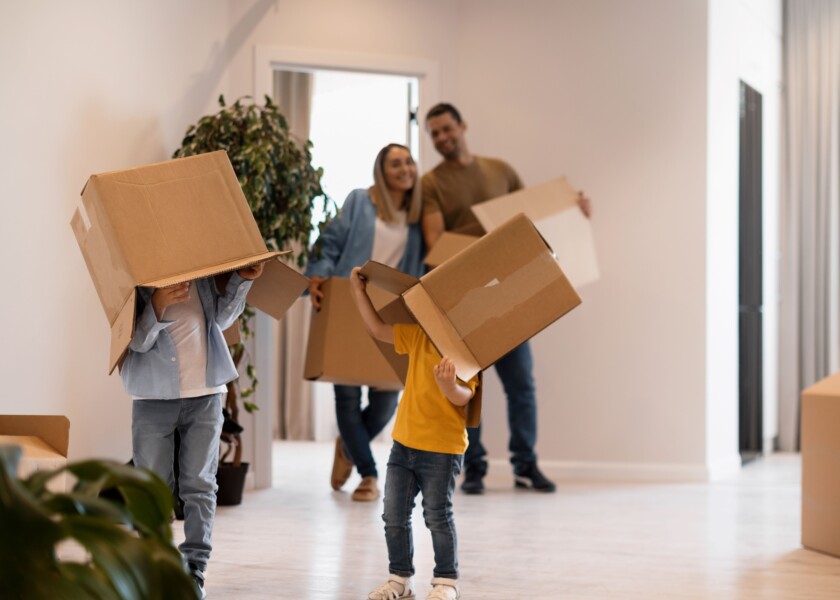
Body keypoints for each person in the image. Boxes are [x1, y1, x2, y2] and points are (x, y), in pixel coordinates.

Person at [420, 102, 592, 495]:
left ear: (463, 125)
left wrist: (576, 210)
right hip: (465, 302)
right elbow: (435, 244)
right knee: (469, 388)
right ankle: (474, 467)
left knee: (521, 386)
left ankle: (525, 465)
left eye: (447, 129)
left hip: (508, 294)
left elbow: (534, 221)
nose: (442, 138)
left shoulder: (501, 170)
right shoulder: (431, 185)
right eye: (435, 134)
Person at [122, 263, 264, 599]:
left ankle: (194, 569)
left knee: (200, 485)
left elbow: (222, 320)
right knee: (154, 488)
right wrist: (157, 302)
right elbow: (136, 343)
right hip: (152, 396)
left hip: (206, 395)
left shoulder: (200, 268)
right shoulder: (135, 276)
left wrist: (242, 280)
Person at [350, 266, 479, 600]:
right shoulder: (419, 335)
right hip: (404, 444)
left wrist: (449, 385)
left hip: (443, 448)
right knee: (393, 513)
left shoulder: (466, 348)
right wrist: (358, 293)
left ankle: (446, 581)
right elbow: (377, 329)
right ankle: (399, 579)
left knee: (437, 515)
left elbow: (466, 397)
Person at [305, 143, 425, 502]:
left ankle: (348, 447)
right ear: (381, 170)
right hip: (349, 300)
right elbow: (328, 244)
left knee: (387, 400)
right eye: (395, 163)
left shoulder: (418, 216)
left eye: (408, 161)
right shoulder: (360, 201)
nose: (404, 168)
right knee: (346, 395)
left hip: (394, 308)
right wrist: (319, 276)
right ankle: (369, 474)